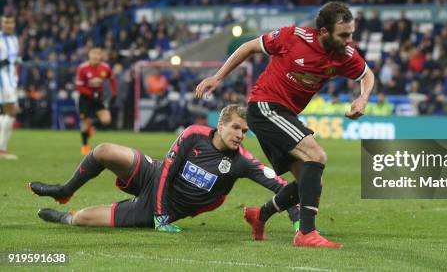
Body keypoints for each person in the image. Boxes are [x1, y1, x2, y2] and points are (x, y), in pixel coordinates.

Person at [195, 1, 375, 248]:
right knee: (316, 155)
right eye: (344, 34)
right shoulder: (292, 37)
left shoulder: (344, 55)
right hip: (264, 107)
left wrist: (363, 98)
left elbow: (366, 74)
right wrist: (218, 77)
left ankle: (260, 215)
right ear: (323, 32)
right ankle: (306, 233)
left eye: (351, 33)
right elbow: (249, 47)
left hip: (284, 115)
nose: (349, 40)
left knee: (311, 180)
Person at [29, 105, 299, 231]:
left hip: (169, 207)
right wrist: (159, 215)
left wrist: (299, 221)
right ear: (221, 124)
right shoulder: (194, 134)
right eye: (236, 127)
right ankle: (64, 190)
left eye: (245, 130)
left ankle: (64, 216)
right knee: (103, 151)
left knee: (83, 219)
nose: (240, 134)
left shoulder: (242, 161)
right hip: (156, 176)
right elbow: (168, 170)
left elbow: (281, 186)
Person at [75, 48, 117, 155]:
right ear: (89, 57)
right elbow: (78, 87)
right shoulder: (82, 68)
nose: (95, 59)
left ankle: (92, 126)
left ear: (100, 58)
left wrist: (114, 93)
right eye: (93, 57)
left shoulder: (105, 68)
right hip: (85, 99)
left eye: (98, 58)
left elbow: (112, 79)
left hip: (98, 98)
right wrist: (91, 93)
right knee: (85, 124)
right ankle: (85, 146)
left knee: (107, 120)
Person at [0, 13, 20, 159]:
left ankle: (2, 148)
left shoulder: (14, 39)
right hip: (2, 79)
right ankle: (2, 149)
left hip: (12, 79)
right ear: (2, 24)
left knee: (8, 113)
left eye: (11, 22)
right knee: (12, 111)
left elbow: (14, 59)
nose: (9, 25)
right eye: (6, 22)